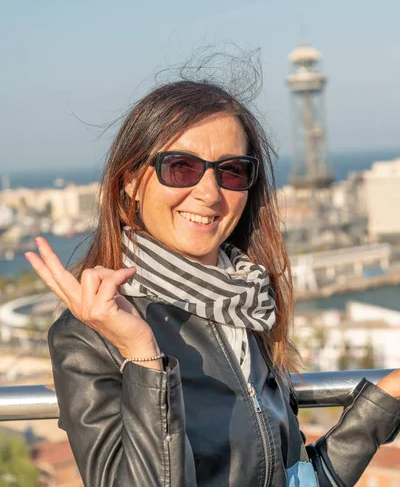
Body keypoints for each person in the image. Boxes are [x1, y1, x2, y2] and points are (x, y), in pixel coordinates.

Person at [25, 79, 400, 487]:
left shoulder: (247, 301)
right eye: (181, 166)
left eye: (232, 171)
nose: (209, 193)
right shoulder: (88, 335)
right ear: (130, 179)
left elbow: (294, 480)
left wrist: (382, 404)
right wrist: (142, 354)